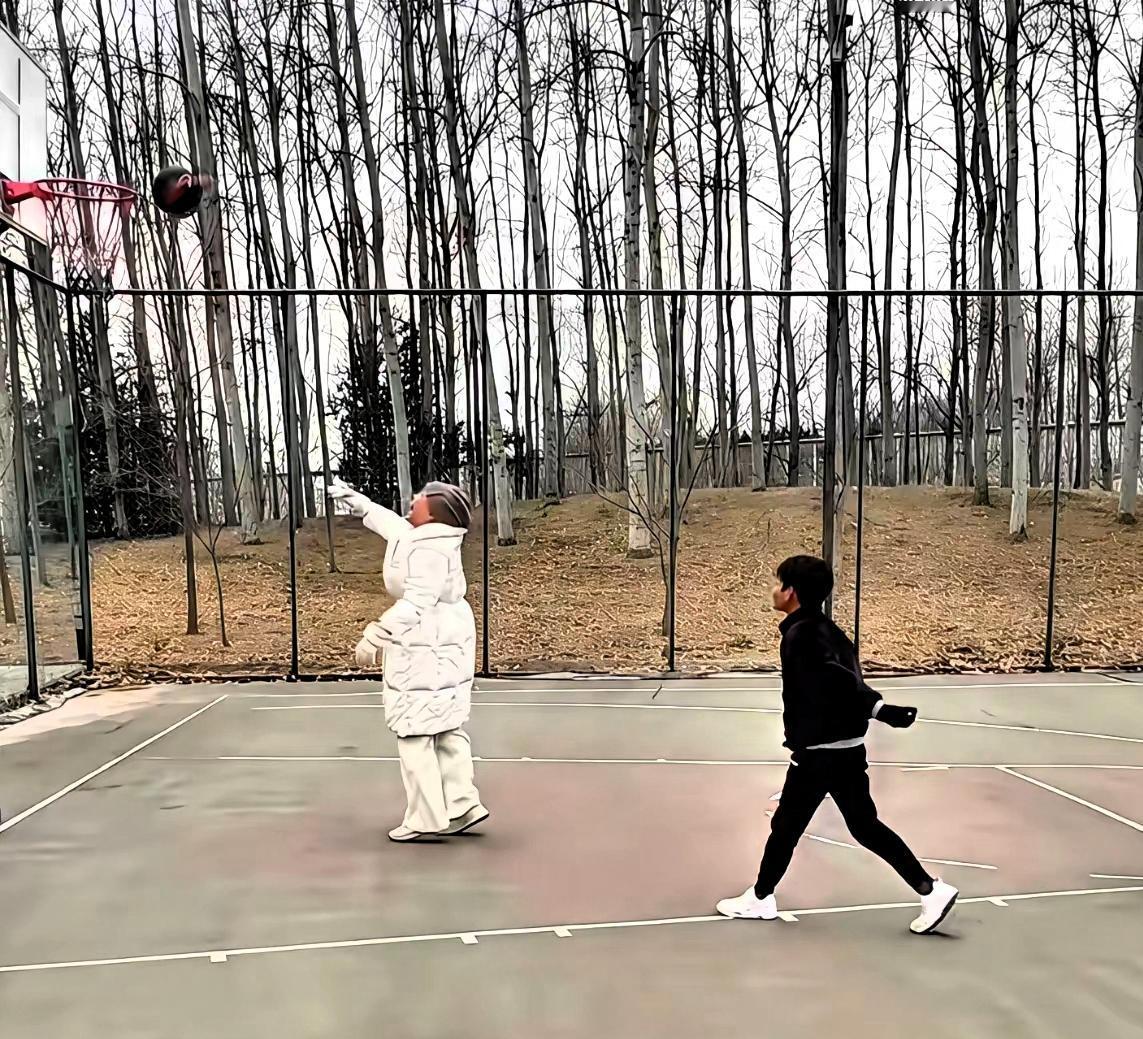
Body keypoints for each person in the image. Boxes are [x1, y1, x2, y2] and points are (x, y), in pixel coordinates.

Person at [716, 555, 958, 935]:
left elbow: (837, 681)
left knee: (787, 827)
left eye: (778, 583)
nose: (773, 590)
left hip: (819, 754)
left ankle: (760, 898)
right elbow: (847, 679)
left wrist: (879, 709)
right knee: (863, 826)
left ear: (791, 592)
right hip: (847, 749)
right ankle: (931, 890)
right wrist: (876, 708)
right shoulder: (829, 631)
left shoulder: (801, 636)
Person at [325, 478, 488, 843]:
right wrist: (360, 503)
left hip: (428, 642)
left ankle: (425, 817)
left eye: (421, 499)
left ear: (433, 514)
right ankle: (462, 804)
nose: (414, 500)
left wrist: (376, 634)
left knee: (414, 733)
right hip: (439, 639)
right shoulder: (423, 536)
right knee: (445, 728)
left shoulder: (430, 549)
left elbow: (417, 602)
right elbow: (391, 525)